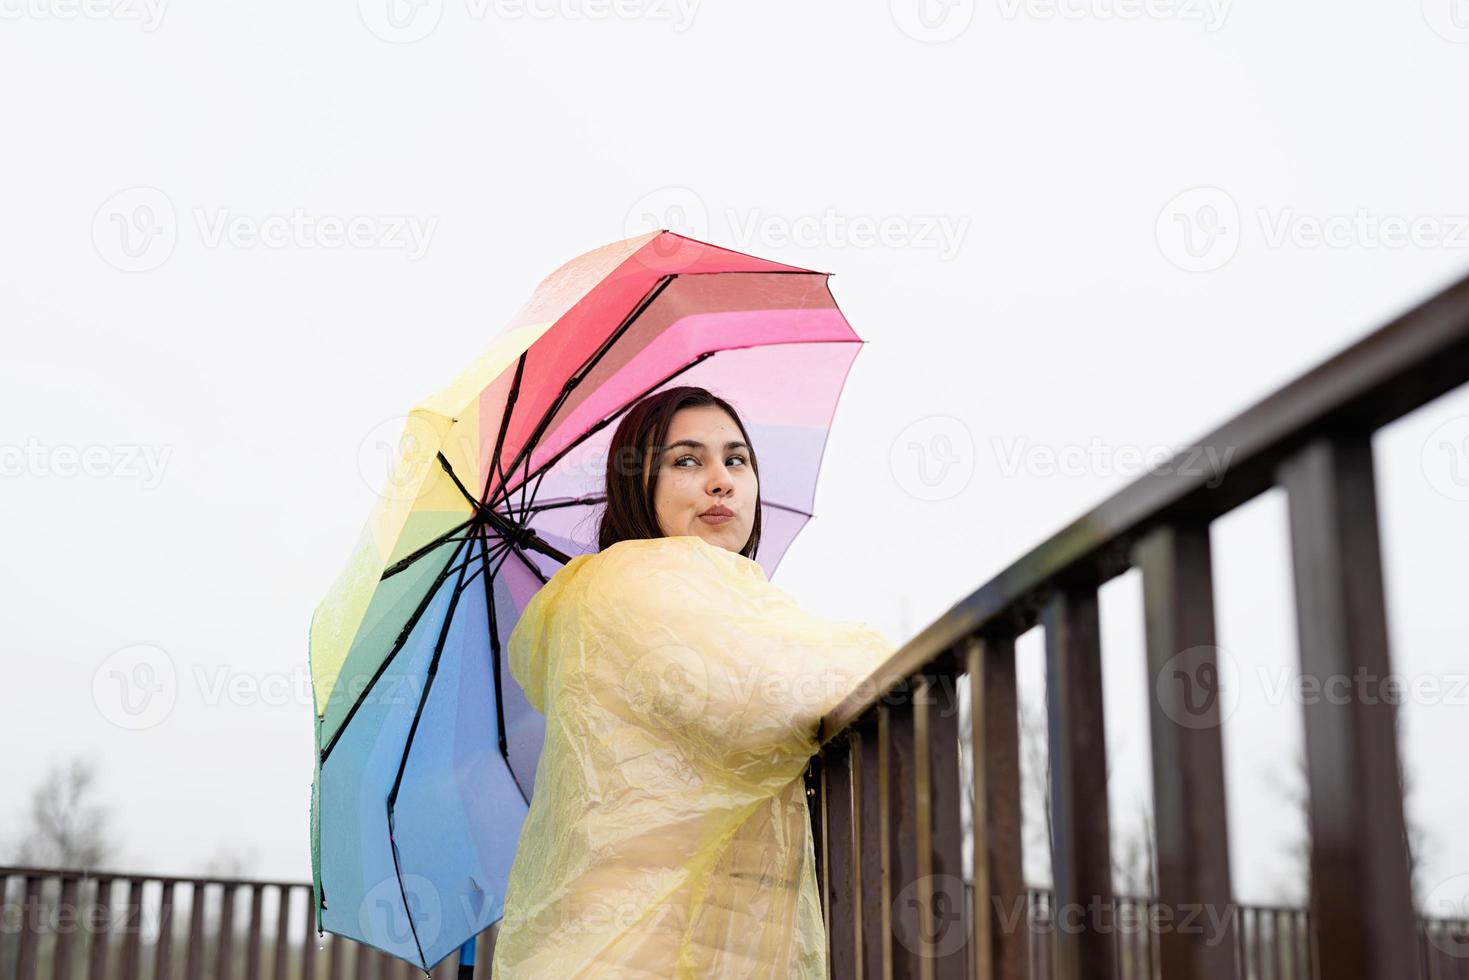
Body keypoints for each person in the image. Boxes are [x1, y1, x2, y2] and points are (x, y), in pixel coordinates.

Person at [490, 385, 894, 978]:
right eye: (686, 461)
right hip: (643, 954)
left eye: (736, 460)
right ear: (639, 484)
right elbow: (781, 688)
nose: (721, 480)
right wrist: (898, 661)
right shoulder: (639, 583)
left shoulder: (696, 597)